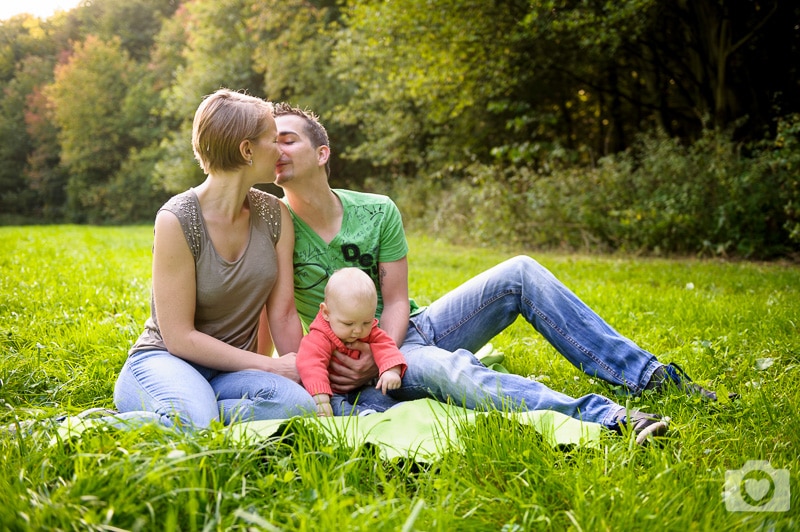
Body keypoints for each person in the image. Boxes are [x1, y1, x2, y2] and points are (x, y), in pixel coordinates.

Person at [271, 103, 728, 445]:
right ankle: (611, 417)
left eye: (288, 138)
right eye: (271, 142)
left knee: (520, 271)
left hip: (405, 332)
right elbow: (284, 313)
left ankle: (652, 377)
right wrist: (325, 375)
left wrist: (382, 353)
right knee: (452, 370)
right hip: (344, 357)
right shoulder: (274, 227)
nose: (278, 148)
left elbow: (395, 301)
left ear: (322, 151)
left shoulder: (376, 210)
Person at [113, 89, 315, 429]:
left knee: (300, 407)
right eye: (273, 139)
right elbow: (179, 337)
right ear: (247, 150)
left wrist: (309, 377)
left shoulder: (275, 215)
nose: (280, 150)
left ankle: (185, 411)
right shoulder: (176, 219)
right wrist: (270, 366)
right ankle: (83, 424)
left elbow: (283, 313)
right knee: (198, 421)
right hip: (165, 360)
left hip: (230, 374)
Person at [296, 267, 407, 417]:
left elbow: (385, 345)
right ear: (326, 313)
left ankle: (395, 412)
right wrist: (321, 401)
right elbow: (311, 364)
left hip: (361, 387)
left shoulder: (366, 328)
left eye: (366, 322)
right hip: (330, 391)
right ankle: (362, 417)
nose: (358, 331)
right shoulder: (319, 337)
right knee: (336, 407)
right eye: (349, 324)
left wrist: (391, 370)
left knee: (380, 397)